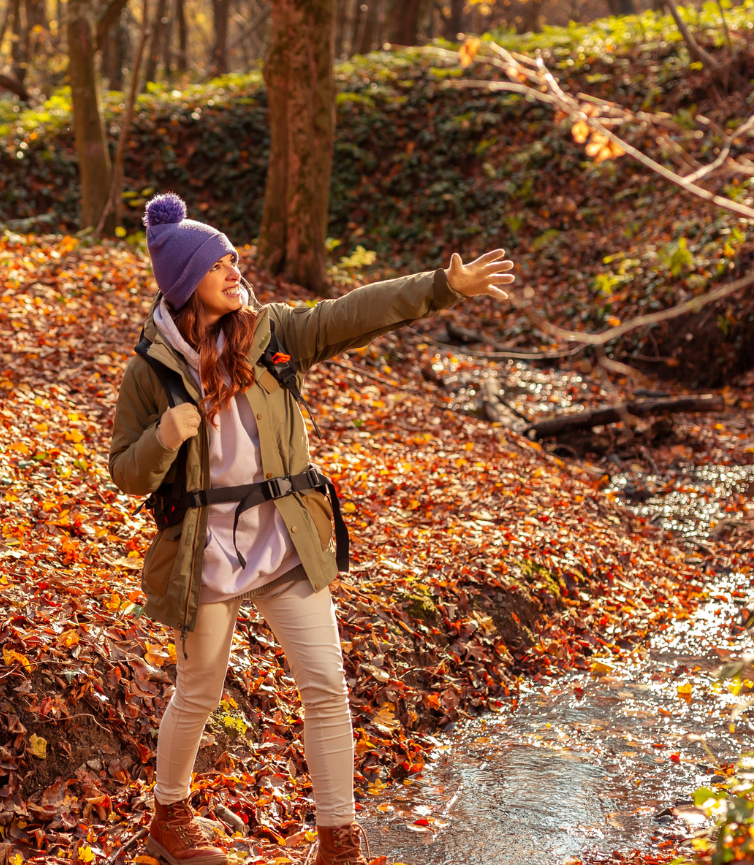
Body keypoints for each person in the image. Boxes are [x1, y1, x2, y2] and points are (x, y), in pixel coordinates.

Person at [108, 193, 515, 865]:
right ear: (187, 283)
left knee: (326, 685)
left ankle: (338, 842)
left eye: (236, 258)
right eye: (220, 263)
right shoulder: (149, 371)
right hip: (204, 550)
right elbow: (126, 471)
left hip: (285, 539)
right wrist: (162, 437)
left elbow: (354, 312)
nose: (236, 270)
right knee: (201, 687)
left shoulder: (271, 333)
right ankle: (169, 816)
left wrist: (443, 287)